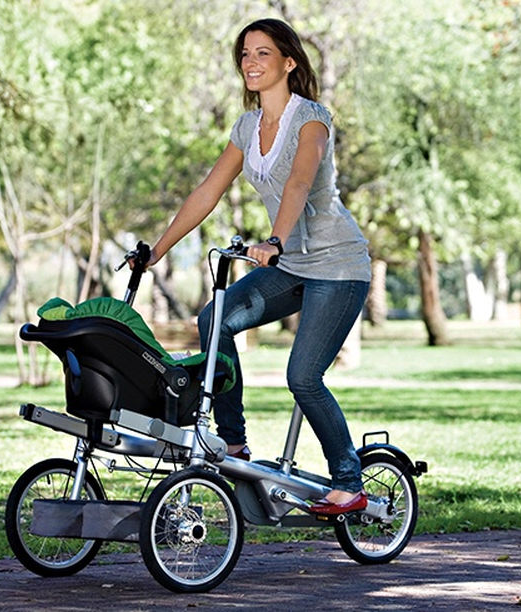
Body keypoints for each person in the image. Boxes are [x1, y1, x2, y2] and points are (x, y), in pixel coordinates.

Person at [147, 18, 371, 515]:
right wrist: (157, 250)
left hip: (337, 265)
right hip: (291, 266)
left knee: (303, 377)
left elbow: (298, 182)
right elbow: (208, 190)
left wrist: (274, 239)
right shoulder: (247, 128)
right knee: (214, 320)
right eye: (245, 53)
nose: (250, 62)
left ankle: (349, 481)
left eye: (262, 53)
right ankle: (234, 441)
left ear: (289, 62)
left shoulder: (312, 119)